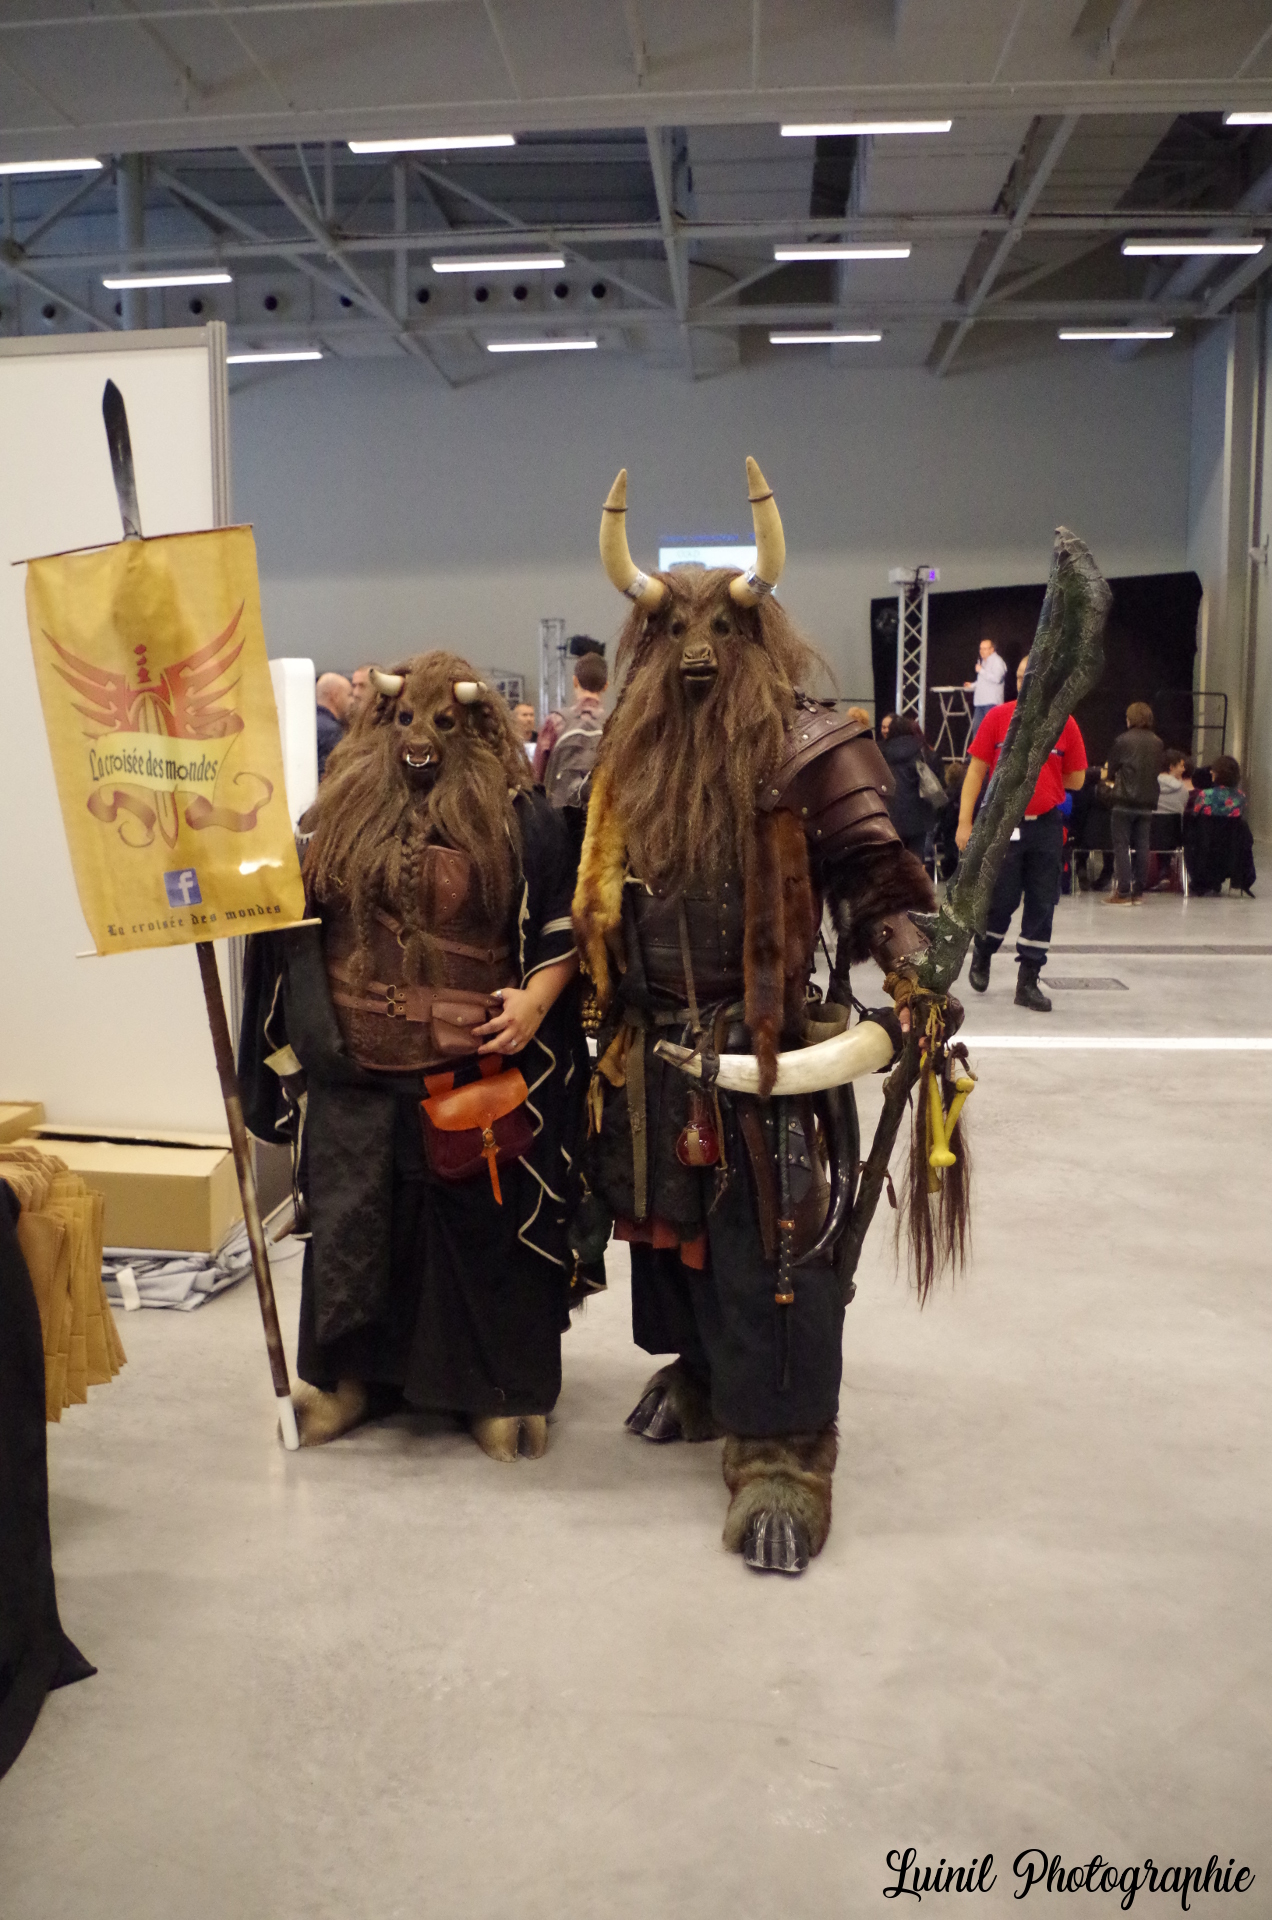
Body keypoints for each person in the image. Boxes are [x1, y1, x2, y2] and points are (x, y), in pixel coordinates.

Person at [576, 459, 953, 1576]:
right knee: (678, 1245)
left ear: (758, 637)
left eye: (723, 629)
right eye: (673, 630)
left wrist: (914, 974)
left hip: (768, 1050)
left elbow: (881, 882)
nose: (697, 649)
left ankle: (784, 1450)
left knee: (774, 1253)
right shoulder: (622, 760)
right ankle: (705, 1378)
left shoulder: (808, 746)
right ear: (646, 643)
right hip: (653, 1047)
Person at [237, 653, 591, 1461]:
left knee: (476, 1231)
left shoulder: (521, 820)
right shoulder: (334, 816)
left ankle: (491, 1390)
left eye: (443, 723)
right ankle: (349, 1381)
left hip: (471, 1074)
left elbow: (563, 925)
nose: (421, 738)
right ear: (381, 722)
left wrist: (535, 1002)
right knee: (352, 1224)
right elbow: (291, 925)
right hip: (355, 1074)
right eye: (405, 720)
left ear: (474, 728)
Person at [956, 652, 1087, 1011]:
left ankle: (1028, 981)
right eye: (1019, 676)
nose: (1023, 681)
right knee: (1001, 899)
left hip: (1046, 827)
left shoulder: (1065, 724)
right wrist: (965, 822)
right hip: (1003, 825)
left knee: (1043, 903)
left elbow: (1077, 779)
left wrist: (1047, 780)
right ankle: (984, 950)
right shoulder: (997, 718)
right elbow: (975, 772)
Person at [1104, 701, 1164, 905]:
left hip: (1123, 801)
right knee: (1143, 845)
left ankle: (1122, 892)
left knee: (1121, 846)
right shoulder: (1158, 742)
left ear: (1130, 719)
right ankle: (1138, 892)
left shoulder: (1122, 740)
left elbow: (1111, 771)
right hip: (1147, 802)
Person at [540, 651, 608, 807]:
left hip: (558, 813)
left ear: (575, 681)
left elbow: (537, 776)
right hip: (598, 813)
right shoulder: (613, 725)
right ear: (606, 686)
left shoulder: (555, 722)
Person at [878, 713, 941, 862]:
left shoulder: (882, 751)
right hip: (918, 816)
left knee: (893, 861)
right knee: (916, 861)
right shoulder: (920, 750)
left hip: (890, 815)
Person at [315, 671, 354, 779]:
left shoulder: (308, 724)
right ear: (335, 696)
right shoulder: (331, 731)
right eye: (349, 695)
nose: (352, 701)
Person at [964, 637, 1007, 734]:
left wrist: (981, 671)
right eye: (980, 648)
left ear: (992, 649)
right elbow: (984, 681)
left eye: (984, 649)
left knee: (990, 732)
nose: (981, 651)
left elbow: (997, 678)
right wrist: (972, 685)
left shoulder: (997, 661)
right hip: (981, 702)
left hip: (992, 703)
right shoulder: (984, 662)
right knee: (978, 731)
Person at [1156, 749, 1192, 814]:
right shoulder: (1183, 790)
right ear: (1171, 767)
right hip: (1175, 820)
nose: (1184, 769)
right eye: (1181, 766)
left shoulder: (1149, 787)